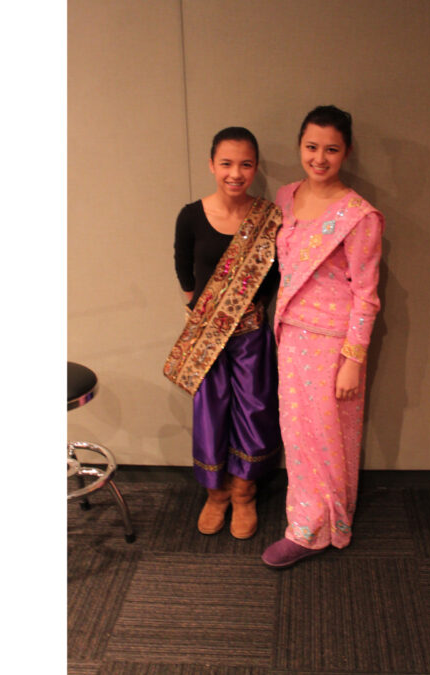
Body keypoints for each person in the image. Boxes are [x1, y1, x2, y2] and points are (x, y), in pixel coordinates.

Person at [261, 106, 384, 568]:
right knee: (299, 435)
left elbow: (367, 295)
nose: (319, 157)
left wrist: (354, 358)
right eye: (311, 147)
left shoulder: (359, 216)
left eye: (331, 149)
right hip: (289, 336)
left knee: (328, 436)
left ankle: (315, 528)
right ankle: (313, 517)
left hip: (334, 343)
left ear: (345, 153)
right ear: (299, 146)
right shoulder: (286, 196)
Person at [164, 126, 282, 540]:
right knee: (211, 412)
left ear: (255, 168)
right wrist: (202, 313)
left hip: (252, 335)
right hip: (208, 337)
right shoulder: (191, 215)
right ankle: (216, 495)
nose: (236, 173)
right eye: (227, 163)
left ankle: (244, 494)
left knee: (253, 411)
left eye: (245, 164)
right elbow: (184, 267)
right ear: (212, 165)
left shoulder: (269, 218)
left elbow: (275, 275)